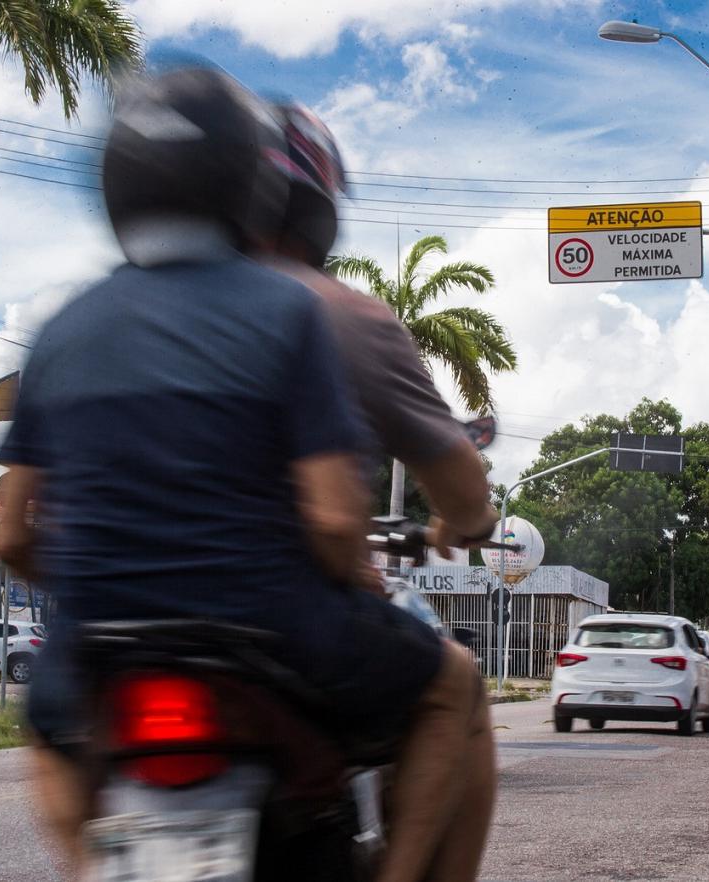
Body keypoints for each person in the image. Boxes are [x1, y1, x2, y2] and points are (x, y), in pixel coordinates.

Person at [0, 67, 491, 882]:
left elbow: (10, 534)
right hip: (272, 629)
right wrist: (341, 576)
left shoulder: (62, 329)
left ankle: (91, 868)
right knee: (449, 691)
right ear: (244, 184)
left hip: (104, 641)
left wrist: (102, 581)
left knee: (47, 728)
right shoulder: (288, 312)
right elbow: (333, 520)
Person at [245, 99, 500, 882]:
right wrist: (466, 522)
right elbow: (455, 493)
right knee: (457, 690)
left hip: (127, 618)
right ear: (320, 210)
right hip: (287, 622)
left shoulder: (135, 311)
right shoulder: (344, 315)